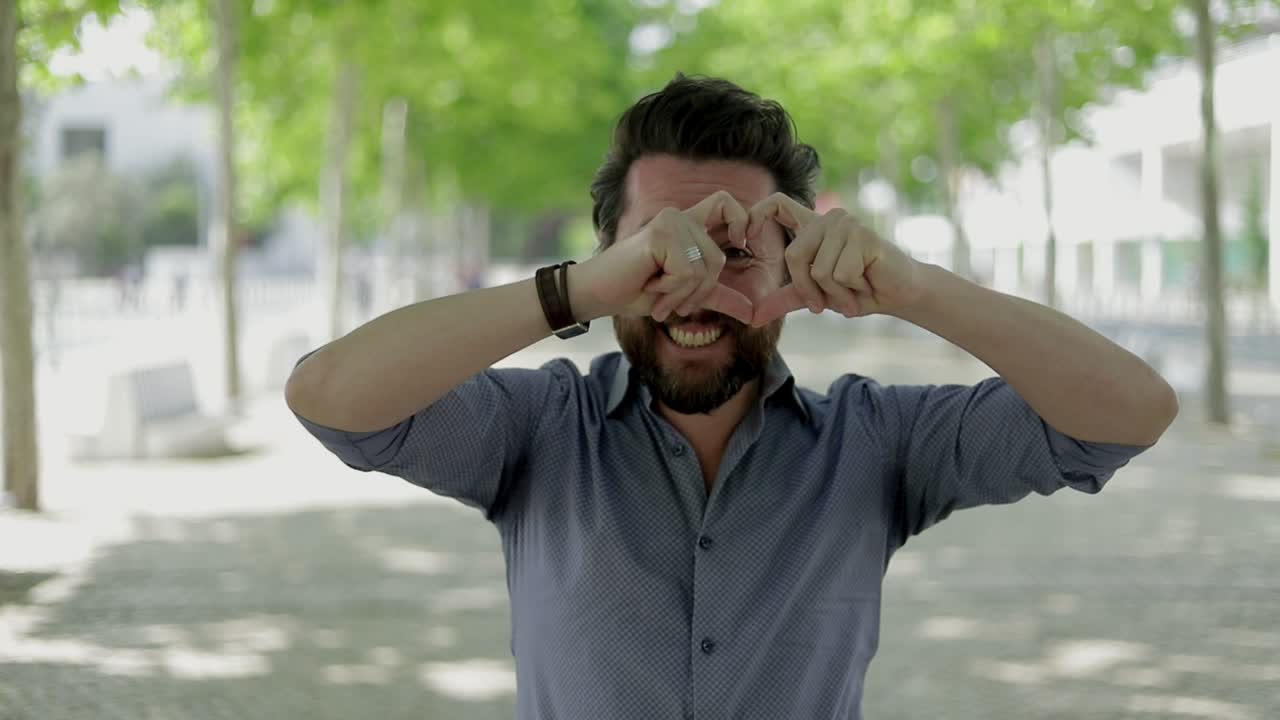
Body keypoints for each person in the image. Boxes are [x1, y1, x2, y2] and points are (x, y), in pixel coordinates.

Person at [285, 75, 1179, 720]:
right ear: (610, 265)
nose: (697, 287)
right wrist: (575, 292)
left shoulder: (875, 441)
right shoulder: (536, 430)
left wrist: (914, 288)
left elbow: (1130, 412)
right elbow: (329, 396)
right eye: (659, 252)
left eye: (734, 252)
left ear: (796, 260)